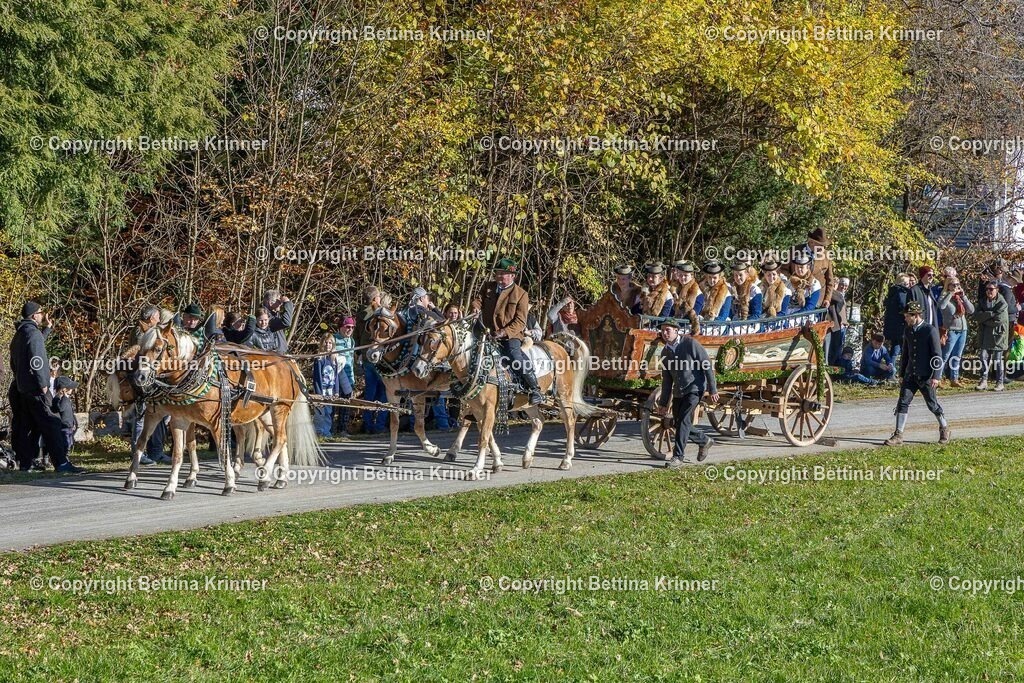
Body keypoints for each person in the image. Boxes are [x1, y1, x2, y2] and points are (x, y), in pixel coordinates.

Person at [8, 301, 83, 472]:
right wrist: (43, 385)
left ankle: (25, 464)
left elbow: (15, 363)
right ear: (34, 315)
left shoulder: (19, 334)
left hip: (22, 389)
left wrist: (47, 329)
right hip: (36, 389)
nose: (43, 315)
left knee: (27, 426)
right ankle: (62, 463)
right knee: (52, 424)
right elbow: (38, 361)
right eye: (41, 312)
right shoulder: (32, 334)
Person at [883, 301, 950, 446]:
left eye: (908, 316)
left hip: (926, 375)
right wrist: (901, 373)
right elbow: (906, 353)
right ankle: (898, 434)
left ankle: (944, 428)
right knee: (903, 403)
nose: (906, 319)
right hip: (910, 374)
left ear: (916, 315)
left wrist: (936, 376)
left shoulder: (930, 330)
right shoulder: (908, 330)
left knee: (932, 404)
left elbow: (937, 355)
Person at [655, 319, 719, 468]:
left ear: (676, 330)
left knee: (683, 421)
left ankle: (678, 457)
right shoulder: (665, 352)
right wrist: (663, 403)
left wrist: (712, 389)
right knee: (678, 423)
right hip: (679, 391)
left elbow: (706, 365)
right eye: (663, 330)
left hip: (694, 388)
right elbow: (667, 381)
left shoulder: (690, 344)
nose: (665, 333)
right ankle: (704, 441)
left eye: (668, 330)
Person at [479, 257, 543, 405]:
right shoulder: (488, 287)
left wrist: (503, 332)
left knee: (514, 356)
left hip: (510, 336)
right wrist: (475, 307)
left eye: (502, 274)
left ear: (512, 276)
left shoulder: (521, 294)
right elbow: (478, 300)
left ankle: (534, 389)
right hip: (487, 332)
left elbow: (520, 322)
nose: (499, 276)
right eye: (497, 273)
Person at [128, 305, 171, 465]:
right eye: (157, 317)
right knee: (141, 416)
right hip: (140, 377)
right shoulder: (141, 331)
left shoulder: (151, 330)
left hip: (151, 377)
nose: (159, 320)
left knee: (160, 414)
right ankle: (139, 453)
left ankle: (156, 451)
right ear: (150, 318)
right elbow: (143, 354)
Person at [355, 286, 389, 434]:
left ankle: (367, 423)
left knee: (370, 391)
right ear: (375, 299)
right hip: (377, 355)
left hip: (365, 355)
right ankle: (380, 424)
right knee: (385, 391)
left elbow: (356, 335)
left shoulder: (359, 314)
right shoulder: (376, 312)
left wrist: (359, 351)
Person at [972, 281, 1009, 391]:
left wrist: (984, 320)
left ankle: (1000, 382)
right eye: (987, 289)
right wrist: (990, 315)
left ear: (997, 290)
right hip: (985, 335)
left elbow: (999, 320)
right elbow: (976, 316)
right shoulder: (982, 302)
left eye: (991, 289)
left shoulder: (1002, 303)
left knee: (998, 359)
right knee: (983, 357)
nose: (989, 291)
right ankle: (983, 381)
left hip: (998, 335)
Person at [938, 276, 973, 387]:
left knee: (957, 356)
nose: (956, 286)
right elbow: (942, 306)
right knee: (945, 355)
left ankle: (954, 379)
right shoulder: (944, 296)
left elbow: (971, 310)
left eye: (958, 284)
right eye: (953, 284)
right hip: (951, 330)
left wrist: (964, 297)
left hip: (963, 329)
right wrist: (950, 293)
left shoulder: (960, 298)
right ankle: (937, 378)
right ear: (948, 286)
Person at [312, 334, 349, 437]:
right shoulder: (319, 359)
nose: (328, 345)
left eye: (330, 343)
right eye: (326, 342)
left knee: (328, 412)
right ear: (322, 343)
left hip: (330, 390)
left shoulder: (334, 359)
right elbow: (317, 378)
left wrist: (336, 391)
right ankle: (319, 432)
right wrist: (318, 393)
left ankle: (326, 432)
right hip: (321, 390)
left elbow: (336, 377)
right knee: (320, 412)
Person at [332, 316, 357, 436]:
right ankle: (331, 429)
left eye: (352, 327)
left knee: (346, 404)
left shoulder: (351, 341)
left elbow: (351, 360)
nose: (350, 329)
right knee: (334, 403)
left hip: (348, 376)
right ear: (341, 327)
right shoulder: (333, 339)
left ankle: (342, 429)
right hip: (336, 376)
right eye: (347, 327)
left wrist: (353, 377)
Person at [883, 273, 912, 364]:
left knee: (895, 349)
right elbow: (905, 308)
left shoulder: (892, 292)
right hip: (901, 326)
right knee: (905, 350)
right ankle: (904, 371)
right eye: (907, 283)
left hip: (893, 326)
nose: (909, 285)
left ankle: (891, 370)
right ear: (903, 283)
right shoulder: (901, 293)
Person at [52, 375, 79, 457]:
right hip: (64, 427)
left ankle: (66, 455)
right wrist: (65, 398)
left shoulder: (65, 399)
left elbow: (70, 412)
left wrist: (74, 422)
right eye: (70, 387)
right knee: (65, 444)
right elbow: (60, 408)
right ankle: (64, 457)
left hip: (68, 426)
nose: (72, 389)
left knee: (69, 443)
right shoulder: (59, 399)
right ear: (64, 389)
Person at [825, 277, 849, 365]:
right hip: (835, 324)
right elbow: (839, 300)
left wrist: (845, 322)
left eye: (846, 285)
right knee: (834, 347)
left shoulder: (841, 295)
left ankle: (835, 365)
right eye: (841, 284)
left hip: (842, 325)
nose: (843, 287)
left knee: (839, 347)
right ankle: (832, 365)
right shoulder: (834, 294)